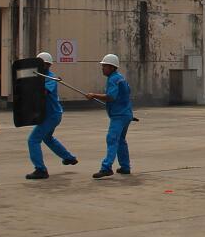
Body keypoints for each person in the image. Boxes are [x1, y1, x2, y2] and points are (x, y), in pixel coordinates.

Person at [25, 51, 78, 179]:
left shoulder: (50, 78)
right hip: (49, 114)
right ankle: (69, 158)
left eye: (44, 64)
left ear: (47, 65)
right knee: (47, 138)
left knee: (33, 140)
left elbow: (42, 92)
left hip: (52, 115)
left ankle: (41, 169)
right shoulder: (39, 77)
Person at [86, 53, 133, 178]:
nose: (102, 68)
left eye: (105, 66)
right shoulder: (120, 78)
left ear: (112, 67)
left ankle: (106, 167)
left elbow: (111, 97)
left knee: (112, 139)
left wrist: (94, 95)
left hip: (119, 115)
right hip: (125, 114)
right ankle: (125, 167)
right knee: (121, 140)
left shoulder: (113, 79)